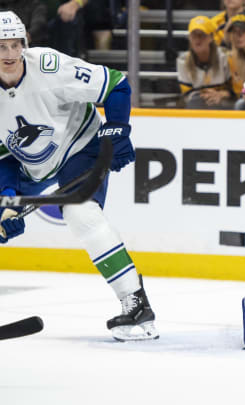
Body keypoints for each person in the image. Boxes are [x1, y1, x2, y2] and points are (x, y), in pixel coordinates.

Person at [0, 11, 157, 341]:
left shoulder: (48, 66)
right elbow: (2, 157)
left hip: (78, 146)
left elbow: (116, 84)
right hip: (29, 163)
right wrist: (8, 199)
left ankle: (136, 303)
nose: (10, 55)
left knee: (80, 211)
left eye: (16, 45)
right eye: (1, 47)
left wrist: (116, 131)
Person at [176, 15, 234, 109]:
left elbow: (235, 90)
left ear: (211, 37)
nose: (197, 39)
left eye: (202, 35)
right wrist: (207, 95)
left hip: (224, 102)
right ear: (189, 37)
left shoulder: (225, 57)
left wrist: (221, 94)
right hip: (196, 102)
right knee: (195, 102)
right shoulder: (182, 61)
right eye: (194, 35)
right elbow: (187, 95)